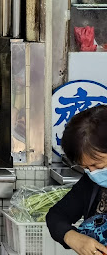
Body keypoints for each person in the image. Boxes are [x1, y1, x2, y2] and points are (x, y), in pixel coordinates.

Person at [47, 105, 107, 255]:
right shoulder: (91, 183)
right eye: (86, 167)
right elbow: (56, 215)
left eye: (97, 164)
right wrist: (72, 237)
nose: (93, 172)